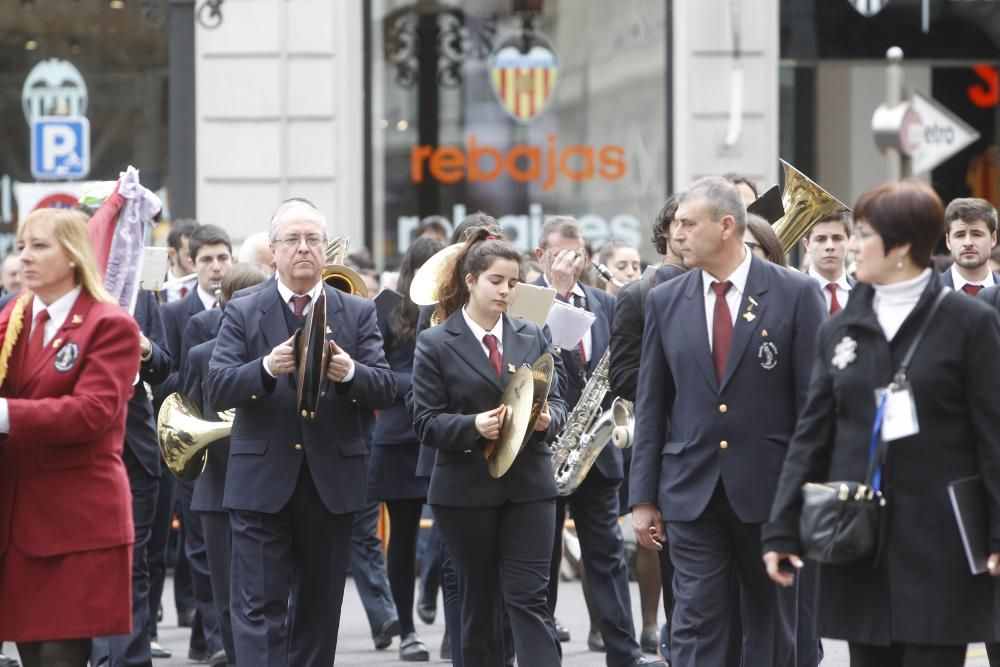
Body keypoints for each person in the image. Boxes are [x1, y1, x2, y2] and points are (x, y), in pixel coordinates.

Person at [763, 180, 1000, 667]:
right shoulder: (843, 327)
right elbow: (813, 434)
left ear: (902, 246)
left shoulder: (966, 323)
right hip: (859, 540)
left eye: (864, 234)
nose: (851, 244)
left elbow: (992, 435)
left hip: (942, 543)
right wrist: (782, 528)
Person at [630, 177, 826, 667]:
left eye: (687, 223)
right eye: (674, 224)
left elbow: (815, 406)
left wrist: (809, 491)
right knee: (696, 623)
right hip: (690, 492)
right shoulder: (664, 299)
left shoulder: (795, 293)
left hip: (771, 492)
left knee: (770, 624)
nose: (677, 234)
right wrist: (643, 497)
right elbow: (653, 403)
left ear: (725, 227)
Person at [205, 198, 396, 666]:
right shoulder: (246, 309)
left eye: (313, 239)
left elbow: (387, 388)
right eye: (292, 239)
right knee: (257, 610)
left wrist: (350, 372)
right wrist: (266, 367)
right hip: (260, 482)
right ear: (274, 251)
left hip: (330, 482)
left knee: (318, 611)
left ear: (325, 250)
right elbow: (216, 387)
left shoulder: (356, 310)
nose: (304, 248)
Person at [410, 227, 567, 667]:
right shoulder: (435, 342)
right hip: (465, 489)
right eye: (496, 281)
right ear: (471, 281)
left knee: (529, 600)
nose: (505, 290)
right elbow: (424, 421)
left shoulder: (531, 333)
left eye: (513, 282)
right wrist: (474, 425)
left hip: (530, 486)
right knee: (479, 604)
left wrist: (547, 418)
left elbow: (555, 397)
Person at [0, 208, 142, 667]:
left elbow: (93, 412)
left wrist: (4, 414)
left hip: (77, 521)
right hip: (19, 523)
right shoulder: (13, 320)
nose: (25, 258)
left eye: (40, 246)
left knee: (60, 657)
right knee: (32, 655)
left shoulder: (109, 324)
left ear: (74, 255)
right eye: (22, 246)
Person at [533, 217, 665, 667]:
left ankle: (623, 652)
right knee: (542, 559)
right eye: (560, 254)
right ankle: (542, 648)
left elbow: (620, 367)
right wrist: (552, 292)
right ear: (540, 257)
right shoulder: (526, 300)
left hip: (597, 448)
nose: (572, 262)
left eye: (579, 254)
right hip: (543, 448)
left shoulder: (606, 304)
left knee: (606, 554)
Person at [181, 262, 274, 667]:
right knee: (225, 595)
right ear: (227, 306)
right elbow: (187, 421)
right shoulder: (202, 354)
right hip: (217, 487)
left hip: (269, 484)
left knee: (268, 591)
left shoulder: (280, 354)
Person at [609, 194, 687, 661]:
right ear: (665, 232)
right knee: (682, 581)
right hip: (672, 447)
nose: (683, 233)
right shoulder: (638, 294)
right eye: (677, 224)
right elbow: (622, 377)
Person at [159, 223, 235, 663]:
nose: (215, 266)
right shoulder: (176, 315)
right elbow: (171, 380)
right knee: (201, 546)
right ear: (191, 264)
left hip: (232, 448)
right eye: (206, 259)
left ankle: (207, 637)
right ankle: (213, 635)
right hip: (196, 441)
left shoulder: (245, 306)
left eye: (222, 257)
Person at [369, 236, 444, 661]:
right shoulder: (387, 309)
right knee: (402, 536)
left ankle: (450, 623)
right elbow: (377, 376)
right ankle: (409, 631)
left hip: (447, 435)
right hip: (400, 439)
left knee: (451, 536)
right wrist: (421, 384)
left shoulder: (455, 309)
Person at [940, 197, 999, 295]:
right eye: (959, 235)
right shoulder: (927, 294)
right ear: (948, 241)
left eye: (977, 234)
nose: (968, 243)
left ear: (993, 239)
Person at [802, 212, 854, 314]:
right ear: (807, 244)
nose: (830, 246)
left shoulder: (866, 294)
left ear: (849, 242)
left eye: (837, 238)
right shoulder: (791, 293)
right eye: (821, 239)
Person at [162, 218, 200, 304]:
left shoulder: (207, 289)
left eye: (199, 254)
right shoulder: (155, 289)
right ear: (172, 254)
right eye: (190, 255)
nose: (197, 260)